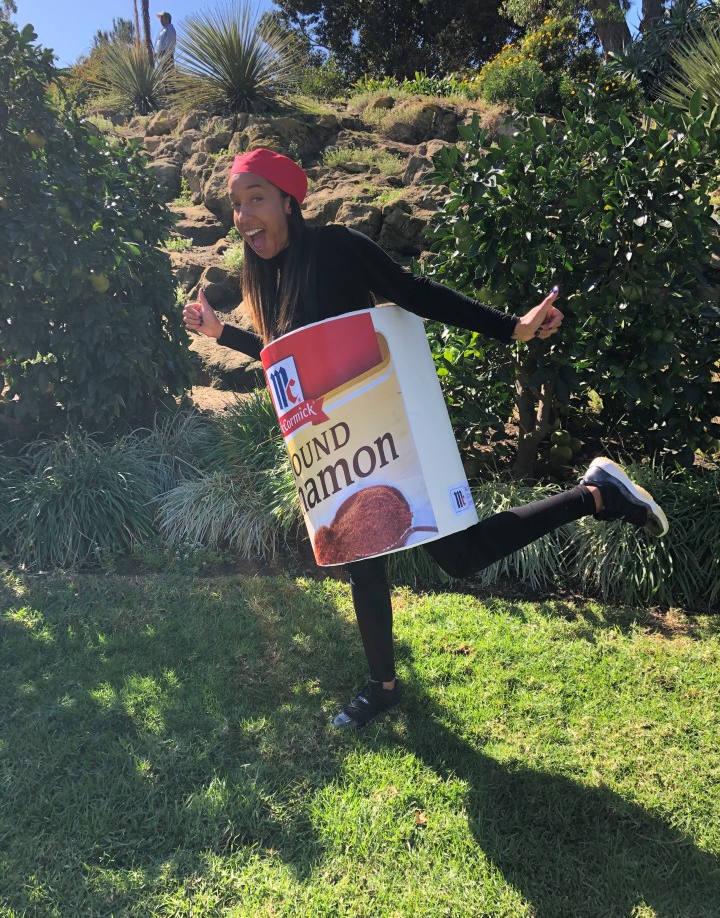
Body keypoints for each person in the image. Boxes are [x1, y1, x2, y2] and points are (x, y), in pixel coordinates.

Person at [183, 148, 669, 729]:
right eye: (236, 205)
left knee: (461, 556)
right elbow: (281, 360)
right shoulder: (270, 277)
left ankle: (597, 494)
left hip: (392, 427)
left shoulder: (335, 248)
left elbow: (414, 293)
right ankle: (382, 686)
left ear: (289, 201)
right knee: (361, 559)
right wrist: (222, 334)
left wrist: (512, 328)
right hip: (340, 441)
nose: (243, 216)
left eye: (256, 199)